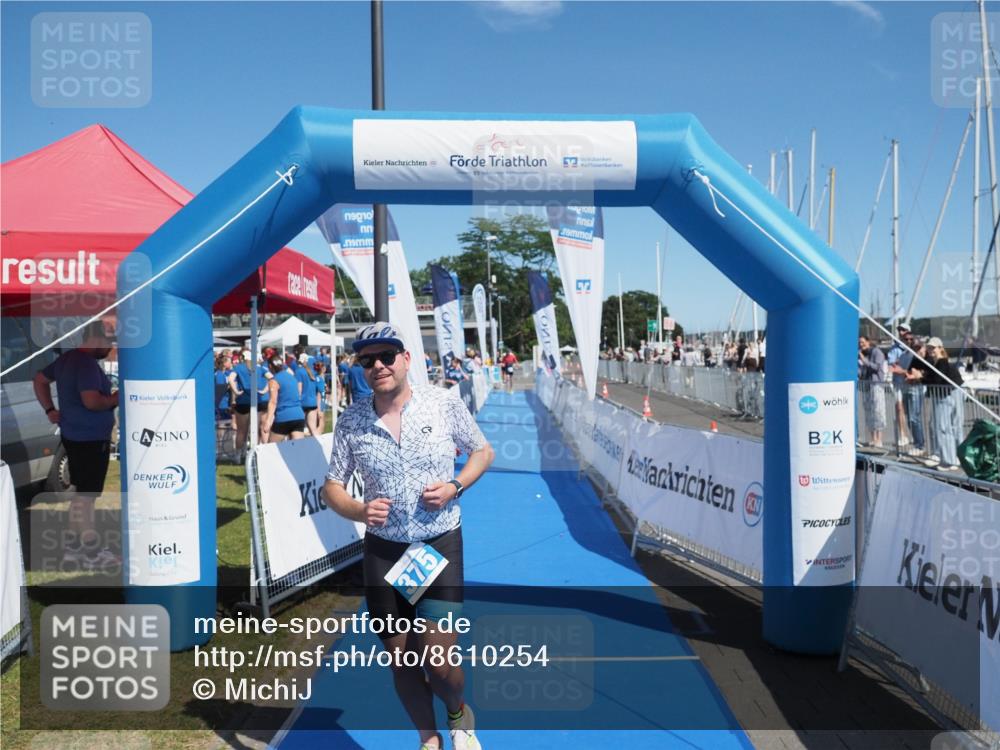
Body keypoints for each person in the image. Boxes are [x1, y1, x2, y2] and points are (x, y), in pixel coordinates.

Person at [323, 322, 495, 750]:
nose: (378, 365)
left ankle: (458, 713)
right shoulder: (352, 420)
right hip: (385, 553)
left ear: (406, 359)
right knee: (402, 661)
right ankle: (429, 738)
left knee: (436, 662)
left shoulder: (442, 403)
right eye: (367, 360)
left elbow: (482, 450)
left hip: (438, 544)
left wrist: (456, 486)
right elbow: (331, 487)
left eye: (386, 356)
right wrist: (359, 510)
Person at [33, 321, 119, 568]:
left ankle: (73, 549)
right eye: (109, 341)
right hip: (90, 439)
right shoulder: (86, 364)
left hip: (74, 436)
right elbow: (91, 402)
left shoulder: (67, 359)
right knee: (86, 497)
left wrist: (50, 410)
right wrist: (115, 398)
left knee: (81, 493)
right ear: (96, 338)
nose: (111, 347)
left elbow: (39, 379)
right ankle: (93, 552)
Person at [912, 337, 965, 471]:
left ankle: (949, 460)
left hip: (946, 396)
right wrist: (920, 355)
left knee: (943, 427)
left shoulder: (942, 362)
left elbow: (936, 380)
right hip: (947, 395)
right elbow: (918, 366)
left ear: (940, 348)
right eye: (929, 348)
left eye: (933, 348)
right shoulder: (935, 362)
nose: (931, 350)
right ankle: (952, 458)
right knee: (948, 427)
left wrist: (920, 377)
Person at [264, 356, 305, 442]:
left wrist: (268, 421)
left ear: (270, 367)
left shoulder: (274, 380)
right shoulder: (292, 377)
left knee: (271, 449)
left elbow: (273, 402)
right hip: (298, 416)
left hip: (284, 416)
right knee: (299, 449)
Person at [858, 335, 887, 447]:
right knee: (869, 412)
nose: (861, 345)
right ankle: (873, 438)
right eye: (860, 343)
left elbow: (877, 367)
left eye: (863, 342)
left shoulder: (877, 352)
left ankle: (879, 439)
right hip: (866, 385)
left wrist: (864, 361)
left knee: (878, 411)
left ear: (868, 342)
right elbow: (861, 370)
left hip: (876, 385)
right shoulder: (863, 354)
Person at [886, 324, 912, 449]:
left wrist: (901, 368)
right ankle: (902, 435)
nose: (901, 332)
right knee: (899, 408)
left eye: (904, 330)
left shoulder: (914, 348)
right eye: (900, 330)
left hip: (912, 384)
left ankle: (914, 437)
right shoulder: (894, 349)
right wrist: (905, 371)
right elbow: (891, 367)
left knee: (911, 411)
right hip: (898, 382)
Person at [297, 352, 321, 436]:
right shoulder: (312, 372)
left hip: (302, 402)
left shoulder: (299, 371)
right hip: (312, 402)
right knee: (313, 429)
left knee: (299, 430)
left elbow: (299, 388)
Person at [314, 360, 328, 435]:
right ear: (322, 368)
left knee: (322, 425)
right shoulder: (318, 379)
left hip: (322, 402)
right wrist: (319, 409)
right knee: (320, 425)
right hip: (320, 404)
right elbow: (318, 395)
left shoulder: (321, 378)